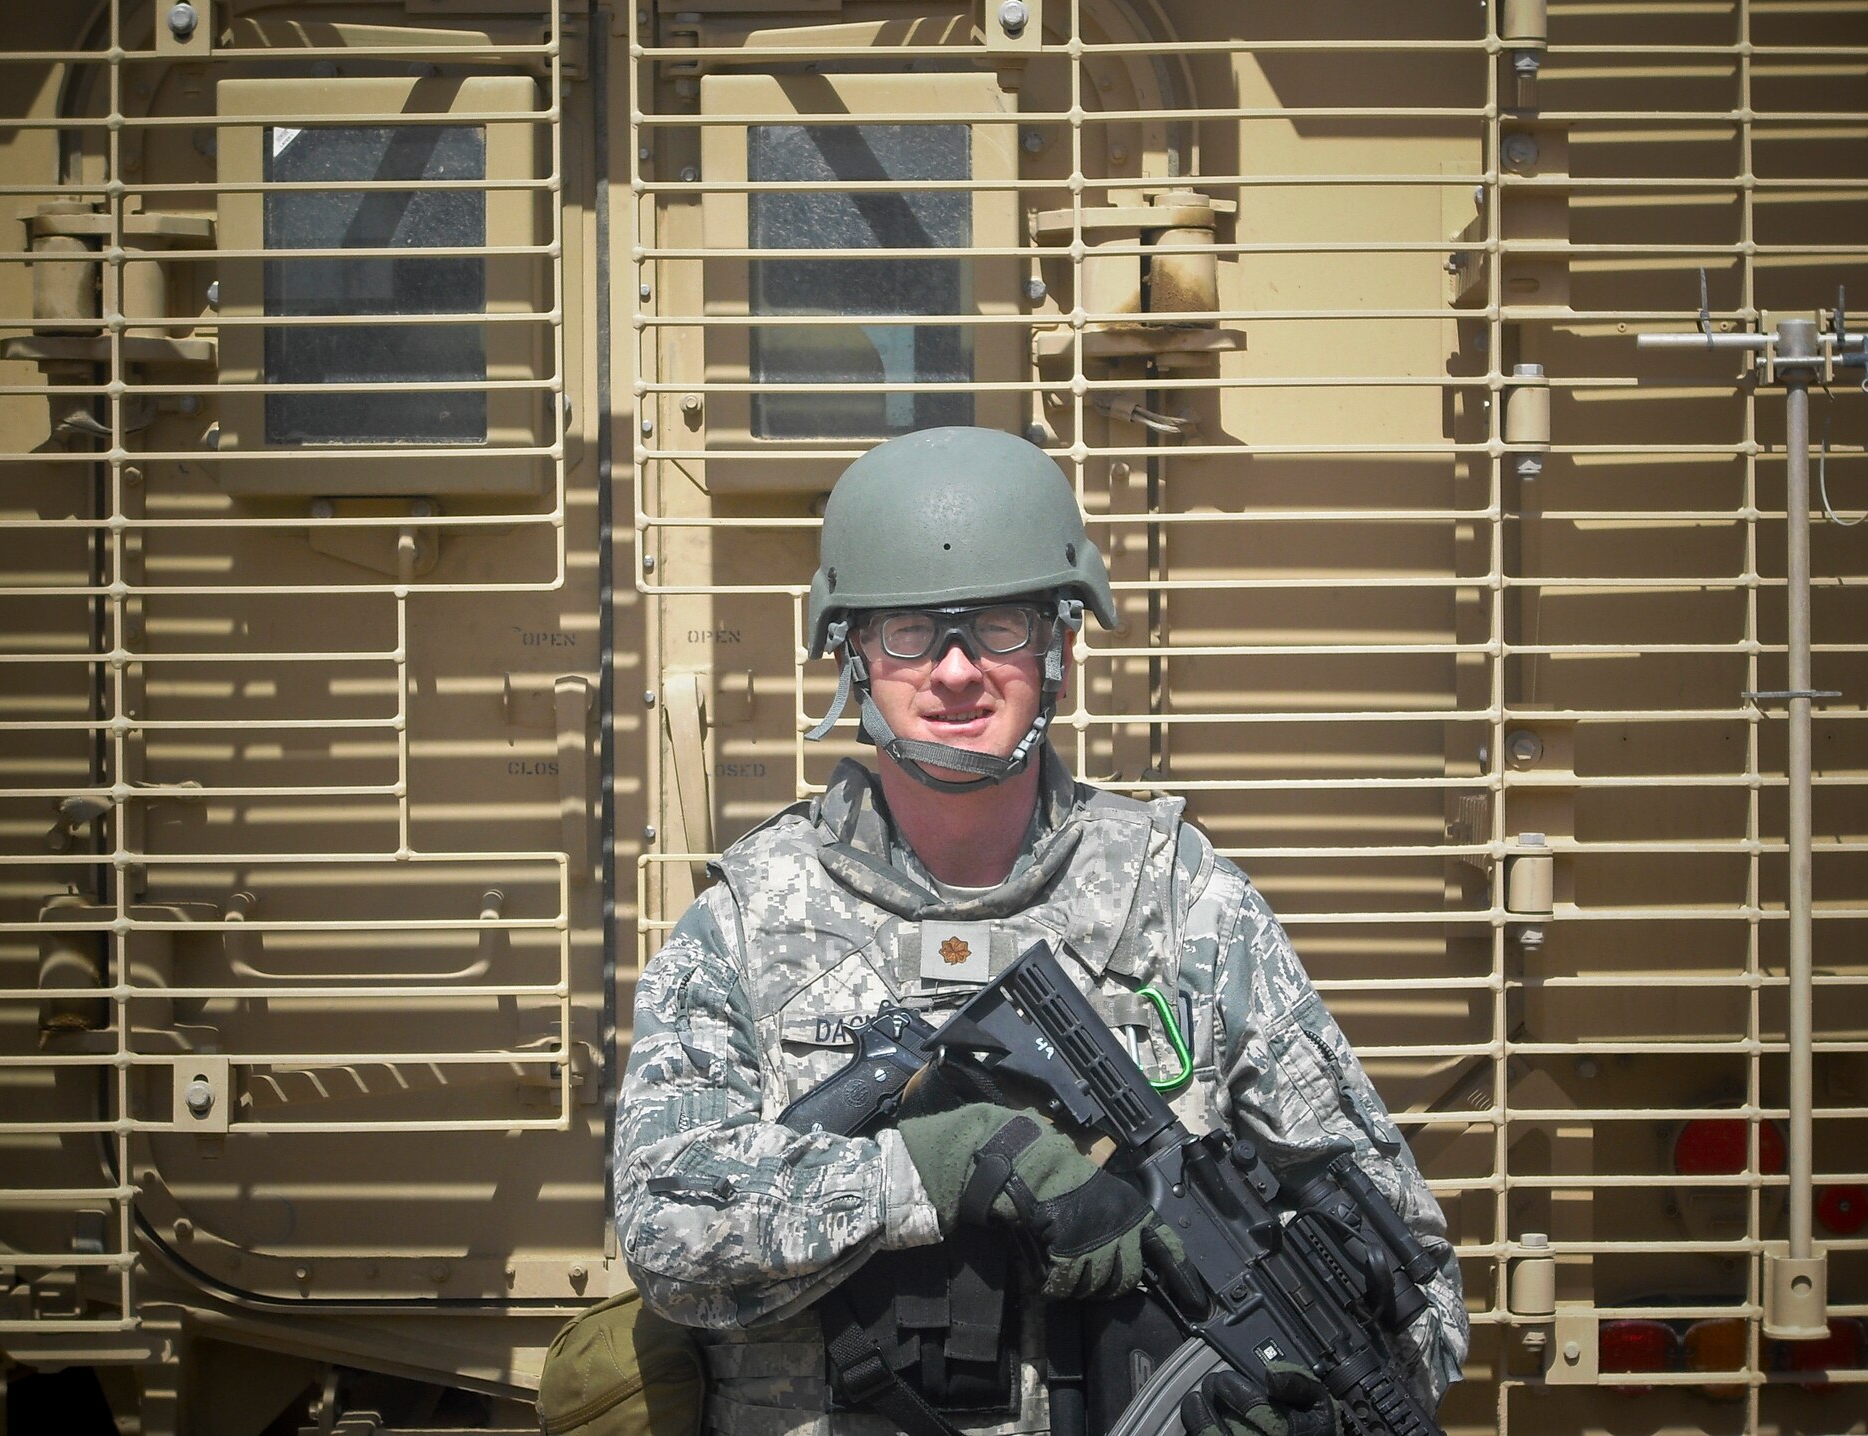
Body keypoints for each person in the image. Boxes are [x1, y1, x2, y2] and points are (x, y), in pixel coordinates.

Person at [613, 427, 1467, 1436]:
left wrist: (1298, 1405)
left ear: (1059, 642)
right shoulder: (749, 924)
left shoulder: (1186, 906)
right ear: (850, 656)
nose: (956, 671)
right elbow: (667, 1229)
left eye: (999, 627)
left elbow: (1415, 1278)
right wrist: (931, 1168)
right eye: (908, 633)